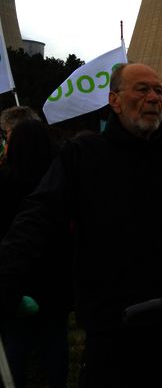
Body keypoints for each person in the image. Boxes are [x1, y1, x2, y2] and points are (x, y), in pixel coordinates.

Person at [0, 63, 162, 388]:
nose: (153, 98)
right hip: (110, 318)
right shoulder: (84, 155)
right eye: (142, 89)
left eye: (159, 91)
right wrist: (8, 274)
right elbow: (40, 215)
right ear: (115, 100)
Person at [0, 119, 71, 388]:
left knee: (16, 339)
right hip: (55, 274)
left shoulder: (5, 181)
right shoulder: (60, 179)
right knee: (55, 337)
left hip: (14, 274)